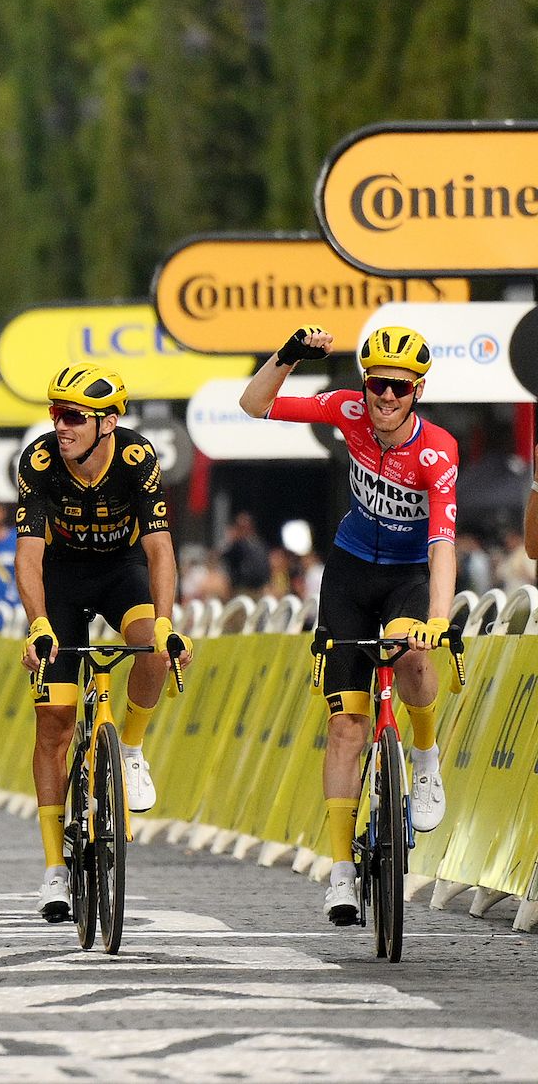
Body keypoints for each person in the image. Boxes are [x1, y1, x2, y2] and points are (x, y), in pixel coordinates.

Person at [239, 324, 457, 926]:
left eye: (398, 387)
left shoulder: (438, 450)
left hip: (410, 575)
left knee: (413, 655)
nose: (385, 397)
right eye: (377, 384)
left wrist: (438, 618)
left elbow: (442, 541)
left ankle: (427, 755)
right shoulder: (348, 411)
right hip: (349, 574)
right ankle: (339, 871)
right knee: (345, 726)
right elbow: (253, 405)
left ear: (417, 391)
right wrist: (286, 355)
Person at [15, 366, 189, 922]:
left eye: (73, 417)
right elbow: (28, 556)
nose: (60, 427)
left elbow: (161, 550)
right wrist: (38, 623)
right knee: (55, 722)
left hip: (121, 573)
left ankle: (131, 749)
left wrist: (166, 622)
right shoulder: (39, 463)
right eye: (55, 415)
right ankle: (53, 870)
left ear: (108, 422)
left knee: (154, 648)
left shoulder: (137, 460)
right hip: (63, 581)